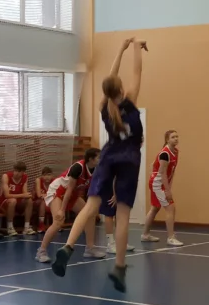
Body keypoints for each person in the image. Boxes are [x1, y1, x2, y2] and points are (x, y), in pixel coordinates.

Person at [52, 37, 146, 292]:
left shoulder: (104, 107)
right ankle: (119, 267)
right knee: (122, 215)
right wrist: (137, 46)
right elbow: (137, 71)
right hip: (129, 159)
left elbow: (113, 79)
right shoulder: (130, 102)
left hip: (108, 155)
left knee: (91, 206)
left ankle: (68, 247)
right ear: (122, 90)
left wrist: (121, 49)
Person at [35, 149, 104, 263]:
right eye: (99, 157)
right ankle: (41, 251)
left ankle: (90, 248)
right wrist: (62, 210)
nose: (101, 159)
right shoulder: (78, 168)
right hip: (59, 191)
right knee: (58, 222)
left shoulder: (96, 169)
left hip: (72, 193)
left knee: (90, 214)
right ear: (91, 159)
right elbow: (69, 189)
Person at [141, 129, 183, 246]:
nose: (176, 139)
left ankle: (145, 235)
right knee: (170, 208)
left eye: (177, 136)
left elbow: (172, 172)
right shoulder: (165, 154)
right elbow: (163, 173)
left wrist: (169, 186)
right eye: (173, 137)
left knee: (155, 208)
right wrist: (167, 190)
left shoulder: (176, 152)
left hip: (161, 183)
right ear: (167, 140)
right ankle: (171, 237)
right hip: (157, 183)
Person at [0, 161, 35, 236]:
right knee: (13, 201)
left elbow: (25, 193)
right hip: (4, 202)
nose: (16, 173)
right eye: (15, 171)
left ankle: (27, 227)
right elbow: (7, 195)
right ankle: (10, 227)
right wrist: (23, 195)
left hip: (17, 202)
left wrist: (28, 195)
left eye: (19, 172)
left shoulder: (25, 177)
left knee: (29, 200)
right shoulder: (6, 176)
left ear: (23, 172)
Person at [34, 166, 54, 233]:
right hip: (36, 202)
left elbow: (56, 194)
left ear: (52, 176)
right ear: (42, 176)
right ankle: (41, 224)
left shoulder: (54, 181)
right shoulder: (38, 180)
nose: (47, 177)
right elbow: (39, 195)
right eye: (45, 175)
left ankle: (56, 223)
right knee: (42, 202)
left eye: (49, 175)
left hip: (48, 202)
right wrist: (49, 195)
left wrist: (46, 195)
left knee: (56, 201)